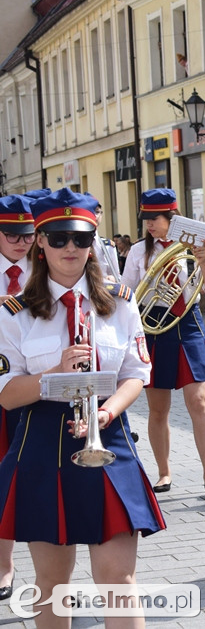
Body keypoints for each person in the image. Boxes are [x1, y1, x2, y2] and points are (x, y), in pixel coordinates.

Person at [0, 187, 165, 627]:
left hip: (108, 435)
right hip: (41, 443)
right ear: (39, 241)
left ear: (93, 242)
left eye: (80, 238)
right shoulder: (13, 312)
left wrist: (110, 411)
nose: (70, 247)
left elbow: (137, 373)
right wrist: (54, 372)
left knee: (117, 577)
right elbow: (6, 394)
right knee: (52, 581)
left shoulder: (121, 300)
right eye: (57, 238)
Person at [122, 188, 205, 497]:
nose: (149, 225)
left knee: (198, 400)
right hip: (153, 325)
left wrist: (204, 261)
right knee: (158, 408)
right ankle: (164, 472)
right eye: (146, 219)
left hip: (188, 323)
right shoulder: (139, 251)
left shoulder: (193, 246)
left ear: (172, 217)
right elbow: (126, 293)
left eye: (155, 219)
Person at [0, 194, 34, 601]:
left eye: (27, 234)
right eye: (11, 233)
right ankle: (4, 565)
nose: (20, 242)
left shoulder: (47, 268)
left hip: (36, 384)